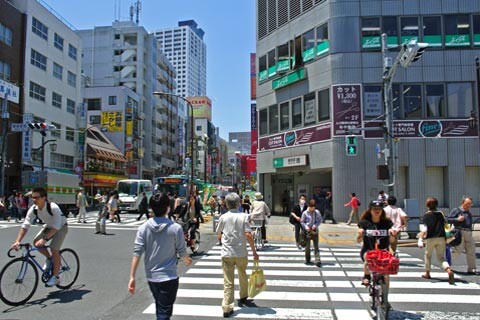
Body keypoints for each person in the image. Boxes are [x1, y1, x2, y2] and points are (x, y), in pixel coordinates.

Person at [128, 192, 192, 319]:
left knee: (161, 307)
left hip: (152, 276)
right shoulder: (175, 228)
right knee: (164, 313)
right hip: (169, 276)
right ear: (168, 207)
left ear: (151, 208)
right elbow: (181, 250)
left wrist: (132, 277)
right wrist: (187, 260)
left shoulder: (143, 228)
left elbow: (137, 252)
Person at [10, 187, 68, 287]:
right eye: (32, 197)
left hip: (61, 227)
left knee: (54, 249)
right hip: (49, 226)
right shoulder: (33, 209)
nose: (33, 200)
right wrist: (17, 241)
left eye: (36, 197)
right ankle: (49, 259)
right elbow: (25, 225)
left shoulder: (53, 207)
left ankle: (55, 277)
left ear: (44, 197)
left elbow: (57, 226)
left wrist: (45, 239)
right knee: (36, 242)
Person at [216, 192, 259, 318]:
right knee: (243, 275)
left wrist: (222, 240)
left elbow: (219, 233)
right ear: (239, 203)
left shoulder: (223, 217)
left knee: (228, 281)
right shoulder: (244, 216)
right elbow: (248, 235)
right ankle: (243, 296)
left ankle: (227, 307)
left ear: (227, 204)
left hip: (227, 252)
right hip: (241, 252)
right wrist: (254, 252)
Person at [357, 200, 394, 287]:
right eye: (374, 209)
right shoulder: (364, 223)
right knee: (367, 259)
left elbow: (391, 241)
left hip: (383, 251)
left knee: (386, 275)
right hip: (368, 249)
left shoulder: (387, 223)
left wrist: (392, 234)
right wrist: (360, 234)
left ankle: (385, 297)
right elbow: (358, 241)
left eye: (379, 209)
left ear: (382, 211)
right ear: (370, 210)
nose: (377, 211)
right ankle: (367, 276)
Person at [418, 197, 454, 284]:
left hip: (430, 238)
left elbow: (425, 228)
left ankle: (427, 273)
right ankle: (448, 270)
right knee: (441, 257)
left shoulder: (426, 215)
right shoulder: (441, 214)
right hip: (441, 238)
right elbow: (445, 225)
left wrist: (420, 239)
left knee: (428, 255)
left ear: (427, 205)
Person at [447, 197, 477, 275]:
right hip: (460, 232)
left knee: (471, 251)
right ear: (462, 203)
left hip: (469, 233)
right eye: (467, 204)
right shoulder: (456, 210)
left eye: (470, 204)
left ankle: (471, 268)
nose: (469, 206)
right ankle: (447, 264)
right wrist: (457, 219)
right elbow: (448, 219)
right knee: (458, 250)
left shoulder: (468, 212)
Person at [300, 199, 322, 266]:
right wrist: (306, 226)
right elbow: (302, 221)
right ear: (309, 206)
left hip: (314, 231)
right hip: (307, 231)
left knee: (316, 246)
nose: (312, 209)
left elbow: (319, 220)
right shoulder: (305, 213)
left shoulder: (317, 212)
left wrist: (315, 225)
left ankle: (317, 259)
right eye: (311, 208)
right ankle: (308, 259)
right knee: (307, 246)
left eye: (313, 208)